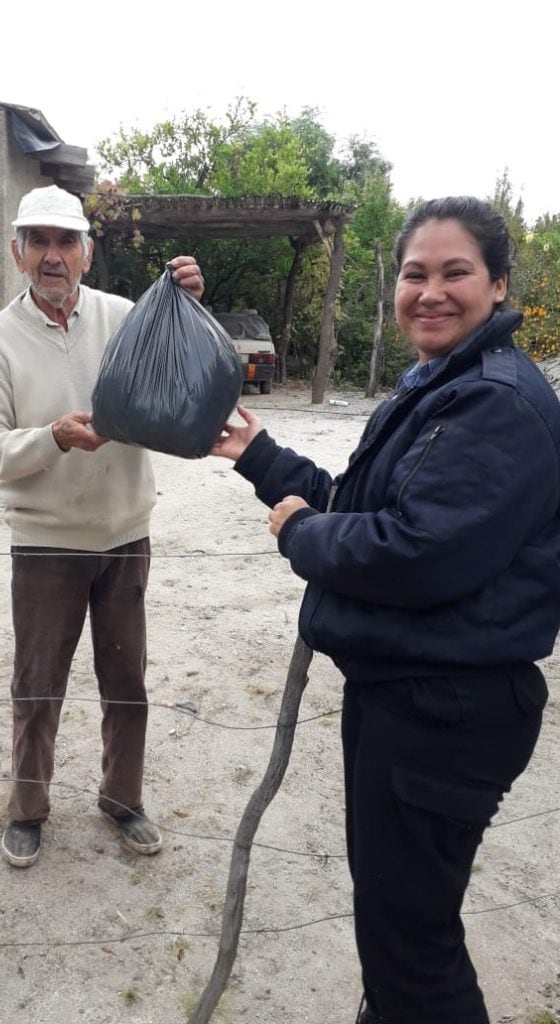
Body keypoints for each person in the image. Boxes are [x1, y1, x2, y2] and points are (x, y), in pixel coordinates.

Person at [211, 197, 560, 1024]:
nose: (429, 291)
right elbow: (362, 504)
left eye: (455, 273)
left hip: (446, 709)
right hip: (409, 695)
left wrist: (299, 536)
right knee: (400, 927)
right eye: (414, 274)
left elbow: (415, 554)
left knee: (413, 952)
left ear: (499, 284)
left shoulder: (495, 403)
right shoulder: (441, 383)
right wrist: (261, 458)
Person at [0, 185, 204, 868]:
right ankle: (28, 809)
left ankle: (122, 800)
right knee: (37, 687)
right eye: (38, 240)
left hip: (126, 534)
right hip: (45, 544)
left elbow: (177, 375)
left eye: (65, 241)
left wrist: (186, 302)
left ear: (87, 254)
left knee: (127, 684)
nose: (52, 255)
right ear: (18, 252)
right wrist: (53, 439)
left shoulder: (125, 318)